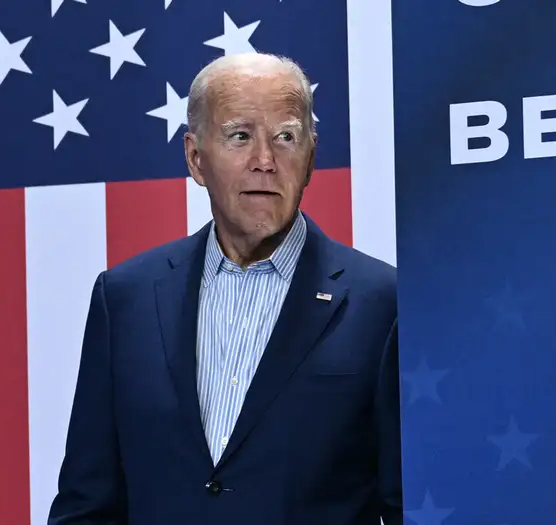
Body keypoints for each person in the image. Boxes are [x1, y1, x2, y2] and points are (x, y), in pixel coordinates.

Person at [47, 52, 402, 525]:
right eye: (240, 136)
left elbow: (407, 506)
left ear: (311, 157)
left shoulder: (381, 302)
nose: (265, 161)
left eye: (286, 138)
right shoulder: (125, 298)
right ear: (196, 158)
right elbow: (86, 506)